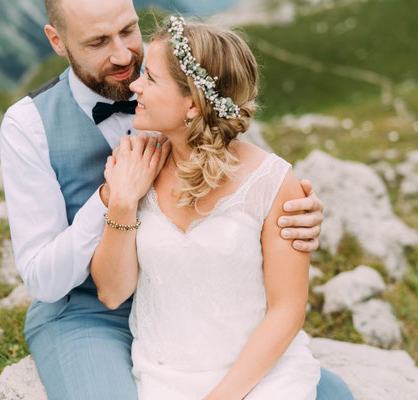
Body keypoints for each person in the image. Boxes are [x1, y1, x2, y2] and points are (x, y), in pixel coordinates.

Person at [0, 0, 352, 399]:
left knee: (330, 392)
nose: (123, 57)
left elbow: (240, 171)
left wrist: (289, 211)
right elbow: (43, 279)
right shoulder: (28, 125)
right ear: (57, 41)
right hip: (88, 311)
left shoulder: (174, 73)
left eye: (129, 31)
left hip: (189, 303)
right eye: (97, 42)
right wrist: (112, 199)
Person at [90, 16, 322, 399]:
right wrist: (122, 201)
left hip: (261, 379)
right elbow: (113, 292)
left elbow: (287, 311)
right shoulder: (136, 164)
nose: (135, 86)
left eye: (150, 77)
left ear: (193, 104)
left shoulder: (274, 181)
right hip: (162, 377)